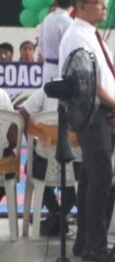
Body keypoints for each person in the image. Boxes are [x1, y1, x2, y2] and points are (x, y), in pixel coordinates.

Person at [60, 0, 115, 262]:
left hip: (102, 111)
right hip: (92, 113)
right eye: (99, 2)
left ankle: (85, 241)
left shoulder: (91, 34)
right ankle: (95, 245)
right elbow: (89, 82)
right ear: (81, 6)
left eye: (105, 1)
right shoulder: (77, 36)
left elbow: (104, 77)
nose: (105, 6)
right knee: (100, 179)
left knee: (91, 179)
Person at [17, 87, 76, 236]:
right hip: (75, 166)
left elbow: (23, 112)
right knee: (83, 178)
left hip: (44, 166)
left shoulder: (48, 90)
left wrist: (30, 143)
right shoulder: (86, 94)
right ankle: (60, 216)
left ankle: (56, 215)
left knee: (32, 167)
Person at [37, 0, 73, 82]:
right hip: (62, 69)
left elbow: (40, 44)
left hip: (47, 68)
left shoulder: (47, 18)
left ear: (56, 0)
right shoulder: (69, 22)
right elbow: (70, 49)